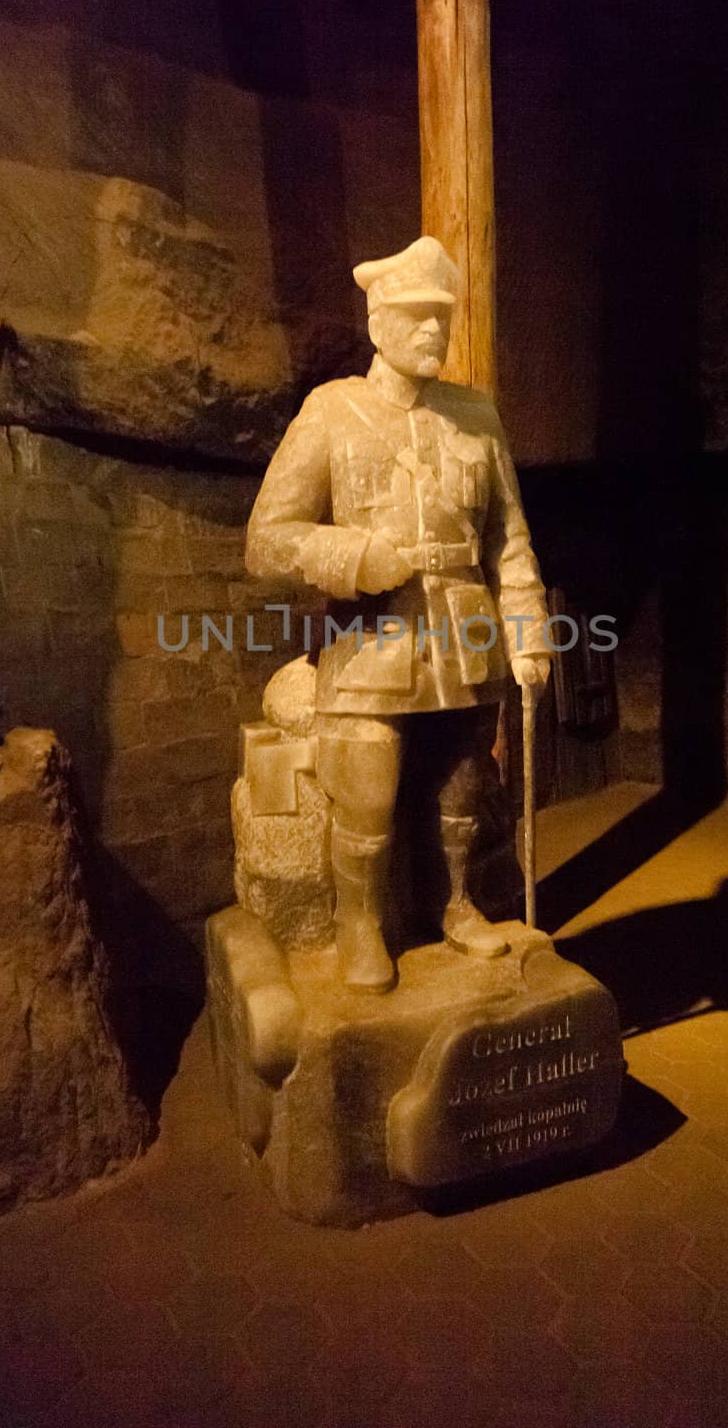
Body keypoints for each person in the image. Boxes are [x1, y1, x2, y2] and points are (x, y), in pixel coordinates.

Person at [246, 236, 550, 992]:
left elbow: (507, 538)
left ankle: (455, 905)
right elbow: (267, 540)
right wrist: (353, 557)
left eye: (441, 320)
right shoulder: (332, 411)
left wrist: (528, 631)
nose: (432, 334)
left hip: (464, 636)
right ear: (378, 321)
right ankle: (358, 924)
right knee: (367, 789)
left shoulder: (476, 415)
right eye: (416, 317)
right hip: (373, 636)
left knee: (461, 784)